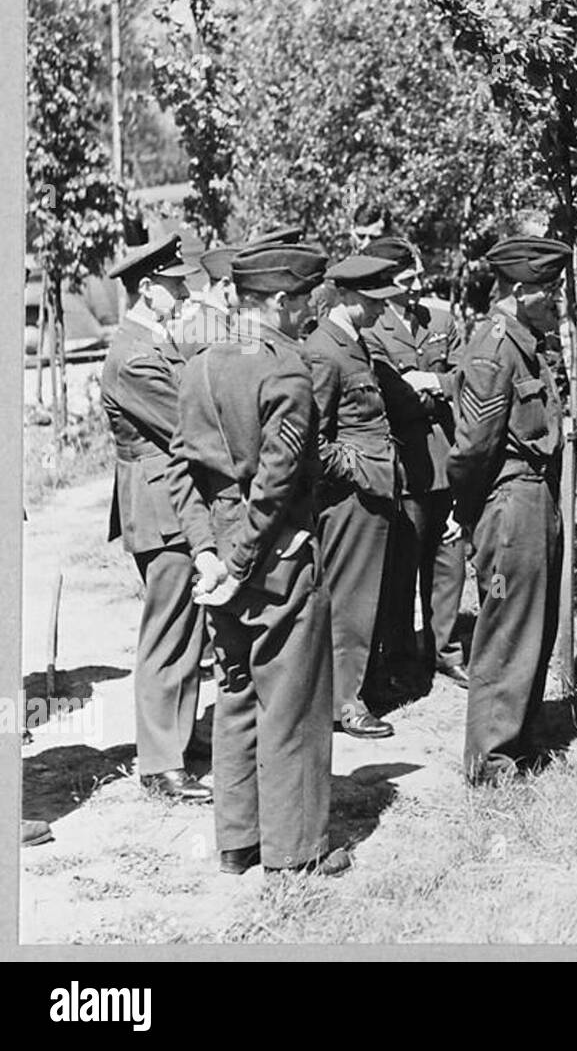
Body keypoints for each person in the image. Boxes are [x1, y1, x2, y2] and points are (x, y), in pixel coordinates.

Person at [166, 242, 349, 876]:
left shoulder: (199, 365)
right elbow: (276, 484)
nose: (308, 311)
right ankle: (294, 852)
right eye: (302, 300)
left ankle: (238, 842)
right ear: (276, 300)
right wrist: (240, 557)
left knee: (237, 689)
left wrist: (207, 552)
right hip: (276, 558)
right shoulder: (286, 369)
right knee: (292, 699)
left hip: (221, 561)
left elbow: (178, 472)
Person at [447, 235, 570, 785]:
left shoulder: (526, 340)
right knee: (506, 631)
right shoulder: (494, 346)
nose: (558, 300)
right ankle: (490, 760)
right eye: (550, 291)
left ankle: (517, 741)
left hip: (533, 495)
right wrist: (473, 514)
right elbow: (473, 446)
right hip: (510, 499)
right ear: (520, 291)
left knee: (532, 627)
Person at [101, 235, 210, 803]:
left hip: (173, 498)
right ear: (146, 288)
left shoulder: (158, 341)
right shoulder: (135, 355)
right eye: (176, 285)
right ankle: (160, 762)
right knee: (168, 631)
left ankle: (178, 744)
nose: (186, 292)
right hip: (161, 503)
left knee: (189, 628)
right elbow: (188, 422)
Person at [302, 255, 405, 738]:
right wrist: (359, 470)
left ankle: (353, 687)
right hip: (352, 499)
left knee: (365, 602)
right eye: (371, 300)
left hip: (374, 490)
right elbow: (312, 442)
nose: (381, 309)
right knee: (349, 604)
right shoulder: (325, 351)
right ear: (344, 296)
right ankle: (343, 702)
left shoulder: (354, 343)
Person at [361, 236, 469, 688]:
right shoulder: (371, 330)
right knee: (402, 569)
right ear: (387, 282)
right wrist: (431, 391)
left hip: (448, 458)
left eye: (417, 275)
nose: (416, 285)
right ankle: (402, 656)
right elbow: (390, 398)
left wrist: (430, 383)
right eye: (406, 280)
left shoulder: (441, 319)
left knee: (449, 562)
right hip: (406, 465)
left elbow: (467, 380)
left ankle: (446, 650)